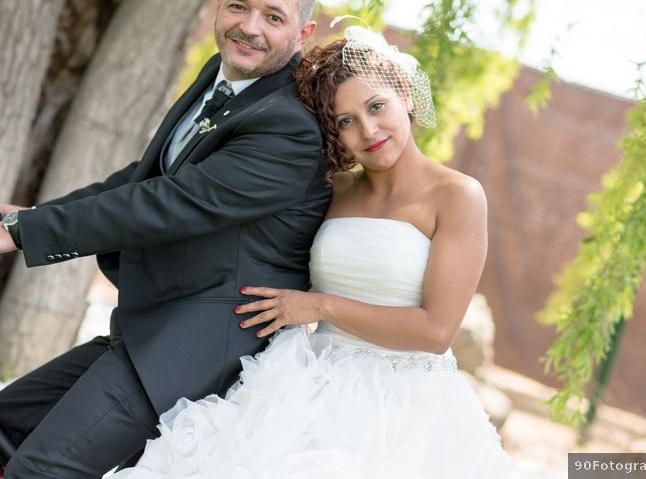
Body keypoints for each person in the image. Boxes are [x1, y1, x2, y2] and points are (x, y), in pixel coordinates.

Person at [0, 0, 330, 478]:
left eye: (273, 17)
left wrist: (21, 235)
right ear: (217, 4)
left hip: (198, 345)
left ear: (302, 33)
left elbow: (169, 204)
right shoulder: (222, 77)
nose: (249, 27)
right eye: (238, 6)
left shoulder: (288, 128)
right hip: (152, 323)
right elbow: (147, 179)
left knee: (40, 470)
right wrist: (28, 216)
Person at [112, 24, 513, 479]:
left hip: (397, 404)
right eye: (345, 121)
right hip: (303, 378)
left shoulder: (458, 195)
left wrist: (317, 305)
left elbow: (435, 331)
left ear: (404, 94)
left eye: (377, 106)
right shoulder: (333, 188)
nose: (368, 130)